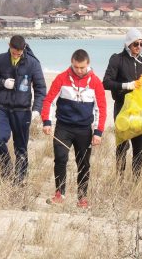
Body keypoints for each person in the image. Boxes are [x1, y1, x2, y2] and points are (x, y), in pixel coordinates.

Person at [41, 49, 107, 209]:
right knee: (60, 158)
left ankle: (82, 197)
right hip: (64, 127)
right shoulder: (61, 78)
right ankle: (59, 194)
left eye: (82, 68)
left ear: (88, 64)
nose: (79, 71)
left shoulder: (96, 82)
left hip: (84, 129)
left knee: (83, 163)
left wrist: (98, 132)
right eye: (76, 67)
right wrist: (46, 121)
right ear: (72, 63)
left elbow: (101, 108)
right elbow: (49, 100)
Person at [0, 35, 46, 185]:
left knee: (21, 148)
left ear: (24, 48)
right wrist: (2, 82)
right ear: (9, 46)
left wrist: (37, 109)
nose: (16, 55)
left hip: (23, 110)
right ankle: (6, 171)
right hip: (2, 108)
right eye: (14, 52)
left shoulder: (33, 63)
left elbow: (40, 88)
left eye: (19, 53)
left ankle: (20, 180)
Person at [103, 28, 142, 180]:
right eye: (135, 44)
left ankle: (135, 181)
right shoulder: (117, 59)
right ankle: (119, 179)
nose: (139, 47)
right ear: (128, 44)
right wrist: (127, 86)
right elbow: (106, 82)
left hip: (140, 111)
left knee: (139, 148)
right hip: (122, 109)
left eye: (141, 44)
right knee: (122, 146)